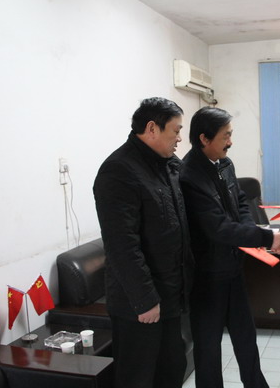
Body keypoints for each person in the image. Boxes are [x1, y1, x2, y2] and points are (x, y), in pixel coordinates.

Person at [179, 106, 280, 388]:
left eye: (230, 134)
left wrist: (250, 231)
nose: (230, 141)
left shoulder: (224, 164)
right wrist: (267, 238)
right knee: (208, 348)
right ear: (204, 138)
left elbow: (240, 201)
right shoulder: (189, 176)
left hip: (233, 268)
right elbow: (217, 228)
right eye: (225, 136)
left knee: (246, 338)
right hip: (207, 276)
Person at [93, 97, 194, 388]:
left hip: (171, 295)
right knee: (138, 378)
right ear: (152, 128)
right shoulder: (118, 171)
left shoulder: (168, 164)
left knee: (171, 370)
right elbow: (121, 245)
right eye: (176, 130)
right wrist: (145, 300)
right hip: (140, 306)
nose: (179, 138)